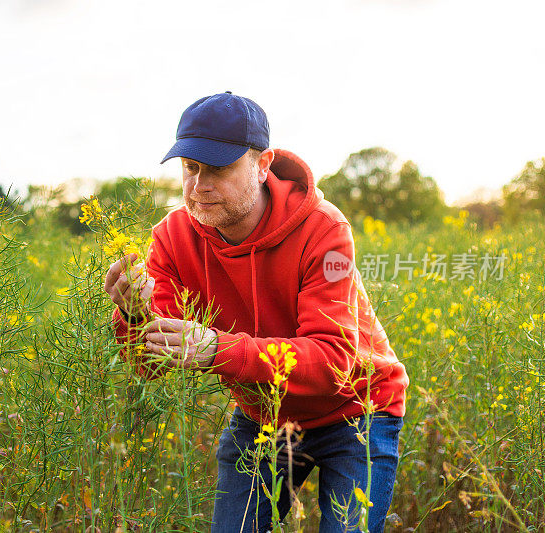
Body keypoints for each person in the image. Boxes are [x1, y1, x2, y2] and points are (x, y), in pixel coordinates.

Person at [103, 91, 409, 532]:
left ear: (263, 164)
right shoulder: (171, 238)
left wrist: (217, 351)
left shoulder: (324, 229)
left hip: (357, 409)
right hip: (263, 416)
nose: (199, 186)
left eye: (219, 169)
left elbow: (333, 361)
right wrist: (133, 315)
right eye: (191, 168)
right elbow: (151, 365)